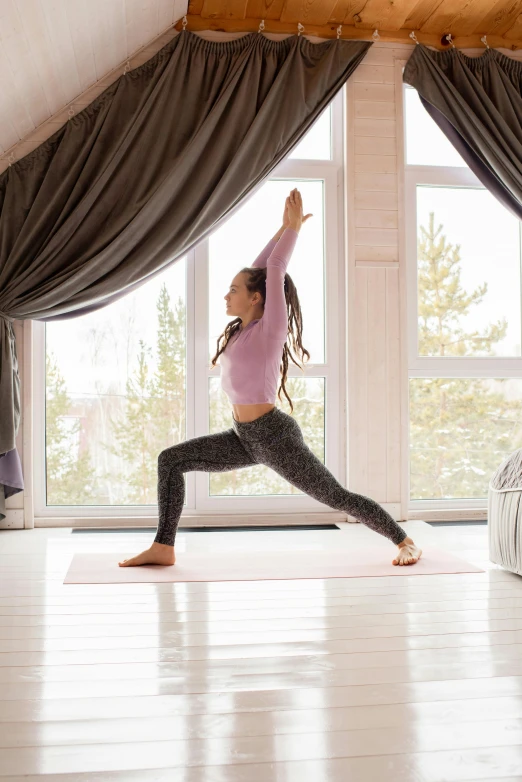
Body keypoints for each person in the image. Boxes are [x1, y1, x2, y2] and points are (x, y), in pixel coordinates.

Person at [119, 188, 422, 567]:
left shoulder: (270, 329)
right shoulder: (245, 329)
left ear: (257, 298)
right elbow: (262, 270)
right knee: (171, 460)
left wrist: (293, 233)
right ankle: (164, 547)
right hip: (243, 437)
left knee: (336, 496)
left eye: (233, 290)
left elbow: (273, 271)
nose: (226, 296)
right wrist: (281, 229)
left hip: (274, 437)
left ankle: (405, 540)